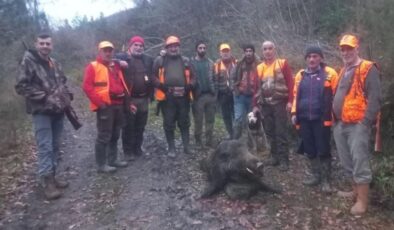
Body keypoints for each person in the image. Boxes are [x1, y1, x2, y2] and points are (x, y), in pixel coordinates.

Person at [15, 32, 71, 200]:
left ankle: (53, 176)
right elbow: (20, 86)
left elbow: (62, 81)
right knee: (45, 146)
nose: (45, 46)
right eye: (42, 43)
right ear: (36, 44)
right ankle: (46, 182)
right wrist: (45, 97)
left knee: (55, 145)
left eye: (48, 43)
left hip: (58, 110)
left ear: (51, 45)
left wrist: (65, 95)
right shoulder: (28, 62)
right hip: (41, 112)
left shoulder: (54, 62)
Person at [333, 34, 381, 215]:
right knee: (347, 162)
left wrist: (365, 123)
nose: (346, 52)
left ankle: (363, 202)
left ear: (357, 48)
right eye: (343, 49)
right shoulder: (343, 69)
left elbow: (375, 98)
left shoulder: (368, 68)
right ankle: (354, 191)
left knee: (360, 162)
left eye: (349, 48)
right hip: (340, 124)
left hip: (357, 125)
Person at [291, 46, 338, 193]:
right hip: (304, 118)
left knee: (323, 149)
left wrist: (336, 116)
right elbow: (295, 95)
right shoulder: (300, 74)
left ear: (321, 58)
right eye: (309, 56)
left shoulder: (330, 73)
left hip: (322, 119)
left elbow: (337, 96)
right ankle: (316, 175)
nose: (312, 59)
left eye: (315, 56)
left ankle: (326, 181)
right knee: (309, 148)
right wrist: (294, 113)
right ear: (306, 58)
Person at [83, 41, 129, 173]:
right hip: (105, 106)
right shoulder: (93, 66)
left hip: (118, 105)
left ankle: (113, 160)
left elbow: (126, 59)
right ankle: (101, 164)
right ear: (100, 52)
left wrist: (120, 62)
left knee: (115, 134)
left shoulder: (115, 65)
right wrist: (100, 104)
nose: (108, 53)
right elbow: (87, 87)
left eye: (110, 50)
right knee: (104, 135)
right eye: (105, 50)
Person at [153, 35, 196, 157]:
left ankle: (186, 147)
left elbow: (194, 76)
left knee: (184, 122)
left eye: (175, 46)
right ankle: (171, 148)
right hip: (167, 97)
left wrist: (190, 86)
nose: (173, 49)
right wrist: (161, 86)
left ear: (179, 47)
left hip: (184, 96)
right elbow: (153, 76)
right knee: (168, 123)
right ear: (166, 48)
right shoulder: (159, 61)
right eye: (171, 46)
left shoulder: (186, 60)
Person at [254, 41, 294, 171]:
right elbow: (255, 88)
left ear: (274, 49)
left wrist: (290, 101)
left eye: (270, 48)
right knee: (269, 132)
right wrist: (255, 105)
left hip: (280, 103)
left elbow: (290, 83)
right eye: (265, 49)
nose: (268, 51)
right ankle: (274, 157)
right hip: (265, 104)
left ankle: (284, 160)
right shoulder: (259, 67)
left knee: (281, 132)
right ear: (262, 51)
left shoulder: (282, 63)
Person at [116, 36, 154, 161]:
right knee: (128, 126)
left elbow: (158, 64)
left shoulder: (147, 60)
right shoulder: (123, 57)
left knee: (140, 125)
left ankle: (137, 148)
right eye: (135, 45)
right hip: (129, 99)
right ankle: (128, 151)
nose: (138, 48)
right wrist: (118, 62)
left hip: (144, 99)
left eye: (141, 46)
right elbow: (108, 60)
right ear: (130, 46)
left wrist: (163, 54)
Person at [190, 41, 216, 148]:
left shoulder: (210, 63)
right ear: (196, 49)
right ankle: (198, 141)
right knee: (198, 120)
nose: (202, 50)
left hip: (210, 94)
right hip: (198, 96)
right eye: (200, 48)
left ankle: (209, 140)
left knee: (210, 119)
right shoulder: (191, 63)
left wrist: (215, 92)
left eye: (204, 48)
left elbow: (215, 78)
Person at [231, 44, 260, 140]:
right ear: (244, 53)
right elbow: (232, 78)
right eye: (246, 51)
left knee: (252, 120)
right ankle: (235, 141)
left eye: (250, 51)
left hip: (253, 97)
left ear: (253, 52)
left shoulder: (259, 64)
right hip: (240, 96)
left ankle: (251, 141)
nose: (248, 53)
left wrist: (259, 94)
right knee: (238, 119)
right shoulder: (239, 63)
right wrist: (235, 89)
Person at [213, 43, 237, 139]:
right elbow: (214, 80)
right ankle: (230, 133)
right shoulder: (216, 65)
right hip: (223, 94)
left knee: (236, 116)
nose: (225, 53)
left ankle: (237, 134)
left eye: (227, 51)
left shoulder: (237, 63)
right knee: (226, 116)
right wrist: (216, 95)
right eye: (223, 51)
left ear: (230, 52)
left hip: (235, 94)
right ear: (220, 53)